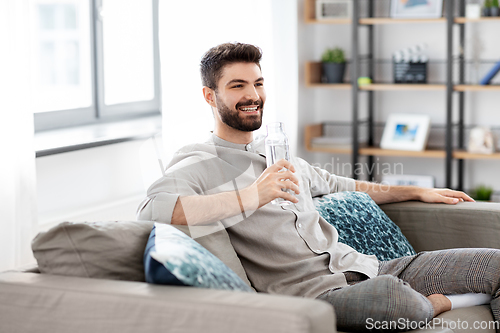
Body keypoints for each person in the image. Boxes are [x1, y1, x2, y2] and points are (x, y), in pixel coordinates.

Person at [137, 42, 500, 331]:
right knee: (394, 300)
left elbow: (339, 183)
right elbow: (152, 209)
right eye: (238, 86)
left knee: (496, 264)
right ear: (209, 96)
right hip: (315, 294)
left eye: (258, 83)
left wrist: (414, 191)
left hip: (370, 268)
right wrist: (253, 196)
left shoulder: (275, 151)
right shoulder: (199, 161)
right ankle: (444, 303)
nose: (253, 95)